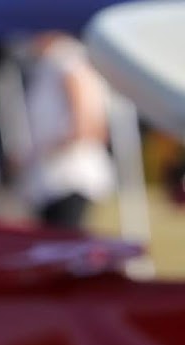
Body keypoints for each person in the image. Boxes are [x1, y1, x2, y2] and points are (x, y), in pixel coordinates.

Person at [21, 31, 113, 229]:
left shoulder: (65, 59)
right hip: (53, 176)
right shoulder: (53, 61)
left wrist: (49, 148)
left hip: (67, 175)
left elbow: (86, 121)